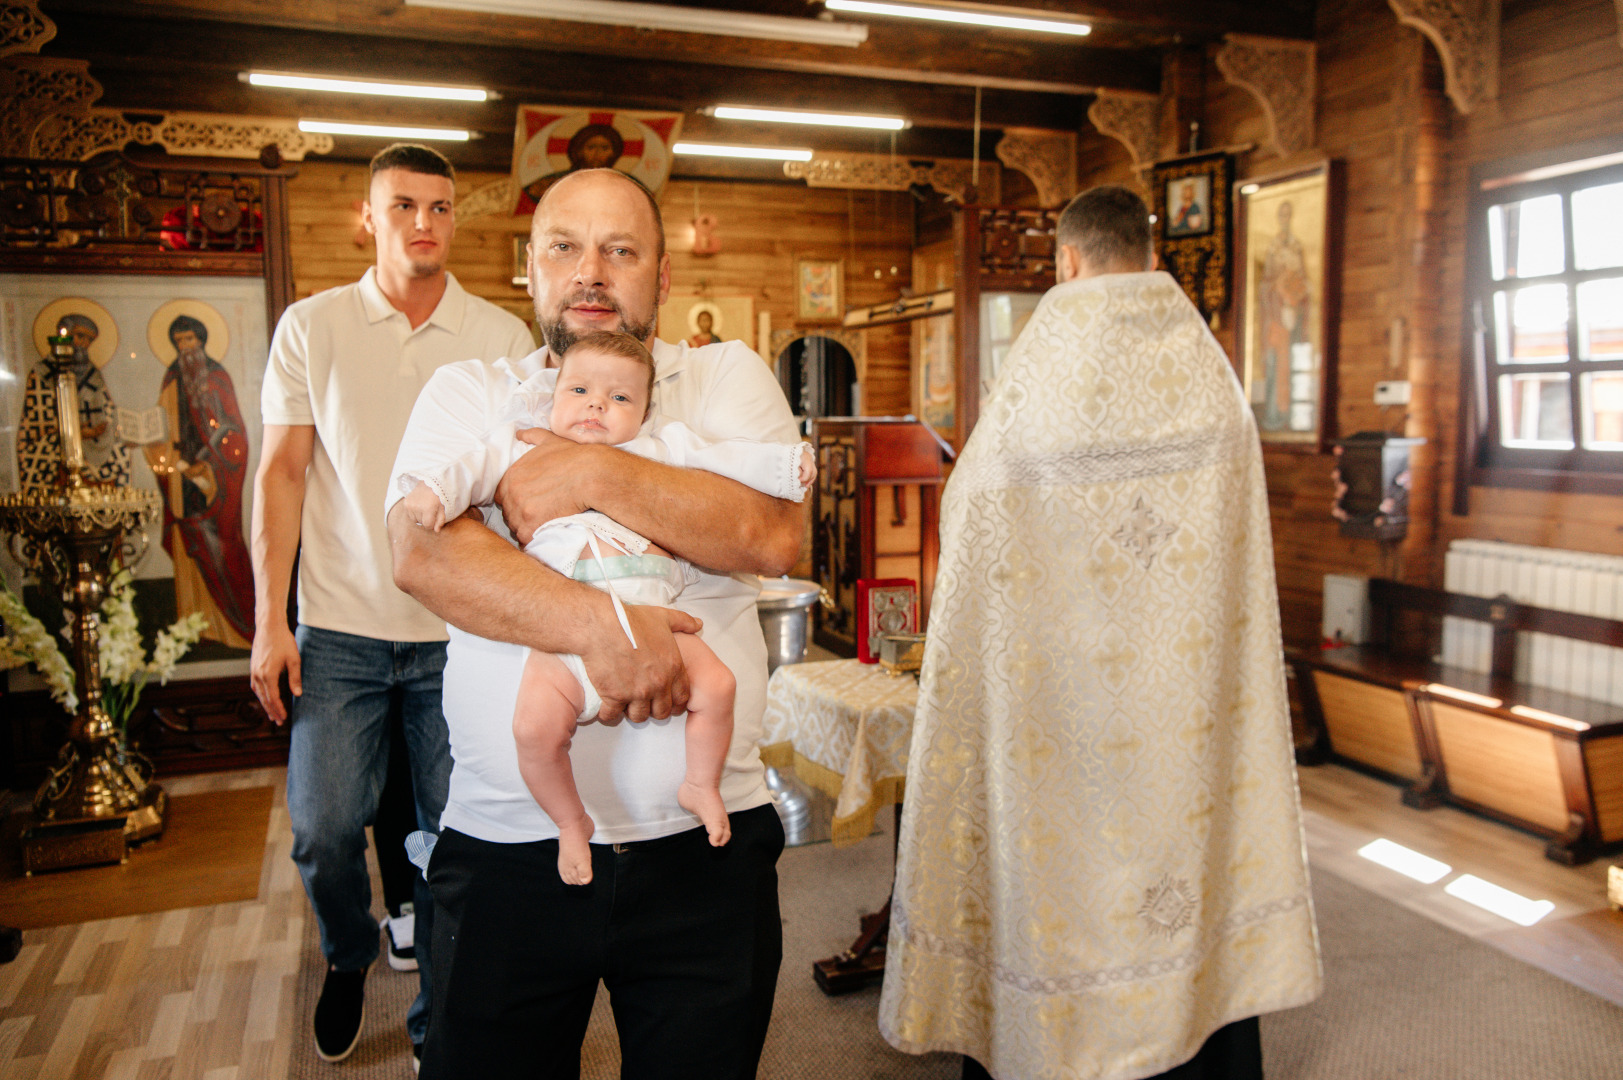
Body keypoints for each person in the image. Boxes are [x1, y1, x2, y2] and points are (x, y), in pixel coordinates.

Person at [879, 185, 1322, 1080]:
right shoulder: (1212, 383)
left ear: (1066, 261)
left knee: (1056, 879)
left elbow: (971, 515)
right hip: (1182, 709)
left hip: (1054, 713)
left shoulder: (1041, 377)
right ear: (1151, 254)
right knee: (1183, 854)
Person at [385, 166, 804, 1080]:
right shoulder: (470, 393)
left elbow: (770, 533)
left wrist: (586, 474)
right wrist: (601, 632)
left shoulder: (723, 377)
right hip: (503, 848)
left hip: (706, 845)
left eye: (621, 250)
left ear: (661, 275)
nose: (592, 272)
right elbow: (423, 554)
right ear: (529, 269)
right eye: (565, 247)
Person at [250, 142, 534, 1065]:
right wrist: (267, 623)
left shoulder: (499, 337)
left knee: (461, 844)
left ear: (457, 219)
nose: (424, 222)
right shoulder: (312, 326)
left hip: (462, 633)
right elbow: (282, 473)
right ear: (368, 218)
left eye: (441, 207)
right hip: (338, 632)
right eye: (404, 205)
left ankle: (433, 1023)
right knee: (326, 830)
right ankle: (345, 953)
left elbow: (523, 485)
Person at [396, 329, 813, 884]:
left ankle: (701, 783)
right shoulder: (520, 441)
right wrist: (434, 494)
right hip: (560, 638)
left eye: (619, 399)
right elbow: (469, 469)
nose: (597, 405)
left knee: (718, 686)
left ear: (643, 412)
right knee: (532, 728)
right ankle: (570, 821)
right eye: (580, 392)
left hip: (660, 619)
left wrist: (787, 469)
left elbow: (730, 460)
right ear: (552, 395)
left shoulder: (659, 449)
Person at [145, 314, 256, 648]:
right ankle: (193, 621)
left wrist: (206, 464)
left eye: (191, 340)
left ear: (203, 340)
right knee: (187, 540)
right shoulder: (172, 377)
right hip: (180, 474)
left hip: (213, 476)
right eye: (180, 341)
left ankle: (231, 626)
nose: (186, 347)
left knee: (217, 544)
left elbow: (233, 429)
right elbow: (162, 422)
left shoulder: (218, 377)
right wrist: (158, 448)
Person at [18, 312, 129, 491]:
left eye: (88, 340)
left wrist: (105, 429)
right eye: (79, 336)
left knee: (122, 454)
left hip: (94, 444)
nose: (82, 343)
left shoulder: (93, 374)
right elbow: (37, 423)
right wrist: (78, 434)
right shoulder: (41, 373)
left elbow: (107, 413)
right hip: (53, 448)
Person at [1257, 199, 1311, 431]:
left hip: (1292, 318)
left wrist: (1293, 297)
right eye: (1282, 215)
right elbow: (1265, 284)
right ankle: (1273, 414)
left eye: (1288, 215)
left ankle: (1290, 415)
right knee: (1273, 364)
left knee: (1290, 365)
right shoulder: (1273, 247)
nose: (1285, 220)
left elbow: (1304, 285)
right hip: (1275, 318)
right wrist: (1276, 289)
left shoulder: (1296, 246)